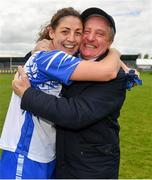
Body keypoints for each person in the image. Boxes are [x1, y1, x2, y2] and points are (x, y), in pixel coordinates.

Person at [11, 7, 142, 179]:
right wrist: (38, 49)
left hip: (92, 171)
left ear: (109, 43)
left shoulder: (115, 78)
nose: (90, 38)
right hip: (60, 164)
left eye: (100, 34)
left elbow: (75, 114)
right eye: (85, 31)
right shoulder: (71, 62)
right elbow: (41, 60)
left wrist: (27, 94)